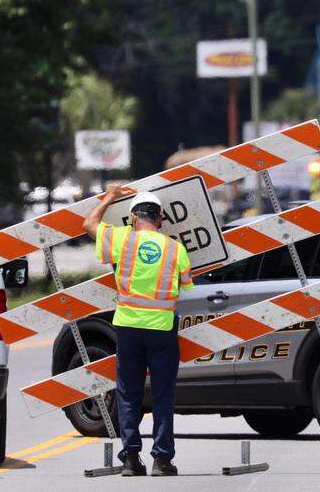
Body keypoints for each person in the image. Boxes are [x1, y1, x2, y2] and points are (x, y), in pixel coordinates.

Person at [83, 183, 193, 477]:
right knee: (163, 395)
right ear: (159, 220)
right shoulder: (175, 248)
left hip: (128, 327)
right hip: (161, 329)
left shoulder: (122, 240)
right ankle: (162, 460)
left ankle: (131, 459)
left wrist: (108, 197)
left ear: (133, 218)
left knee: (128, 394)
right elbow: (185, 284)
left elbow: (88, 223)